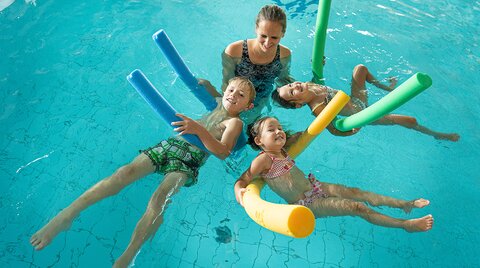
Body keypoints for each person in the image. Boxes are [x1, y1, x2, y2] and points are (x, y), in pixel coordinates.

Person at [30, 77, 256, 268]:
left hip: (188, 161)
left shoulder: (234, 123)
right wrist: (203, 83)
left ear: (248, 106)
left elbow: (223, 152)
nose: (234, 95)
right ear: (224, 90)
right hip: (169, 146)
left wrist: (198, 129)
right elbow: (210, 89)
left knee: (159, 200)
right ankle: (66, 216)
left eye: (241, 95)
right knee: (123, 173)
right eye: (231, 90)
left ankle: (128, 256)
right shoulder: (216, 101)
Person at [234, 116, 434, 233]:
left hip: (315, 186)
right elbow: (243, 179)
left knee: (357, 192)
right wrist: (240, 191)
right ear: (259, 141)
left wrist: (328, 120)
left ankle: (404, 204)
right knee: (356, 207)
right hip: (306, 203)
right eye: (272, 130)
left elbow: (305, 134)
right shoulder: (263, 159)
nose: (279, 131)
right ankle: (405, 225)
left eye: (279, 128)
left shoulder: (283, 148)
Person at [271, 64, 460, 141]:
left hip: (356, 100)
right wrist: (355, 128)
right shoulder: (317, 108)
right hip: (361, 115)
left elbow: (318, 78)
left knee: (360, 69)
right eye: (292, 91)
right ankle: (437, 135)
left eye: (291, 85)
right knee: (408, 120)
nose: (295, 85)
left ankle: (387, 88)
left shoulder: (309, 85)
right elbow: (334, 130)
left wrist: (320, 63)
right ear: (298, 104)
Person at [200, 4, 294, 113]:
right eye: (263, 36)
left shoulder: (284, 54)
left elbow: (283, 81)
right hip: (236, 100)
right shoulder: (234, 51)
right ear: (256, 29)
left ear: (283, 34)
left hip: (260, 102)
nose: (268, 42)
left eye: (274, 37)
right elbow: (227, 85)